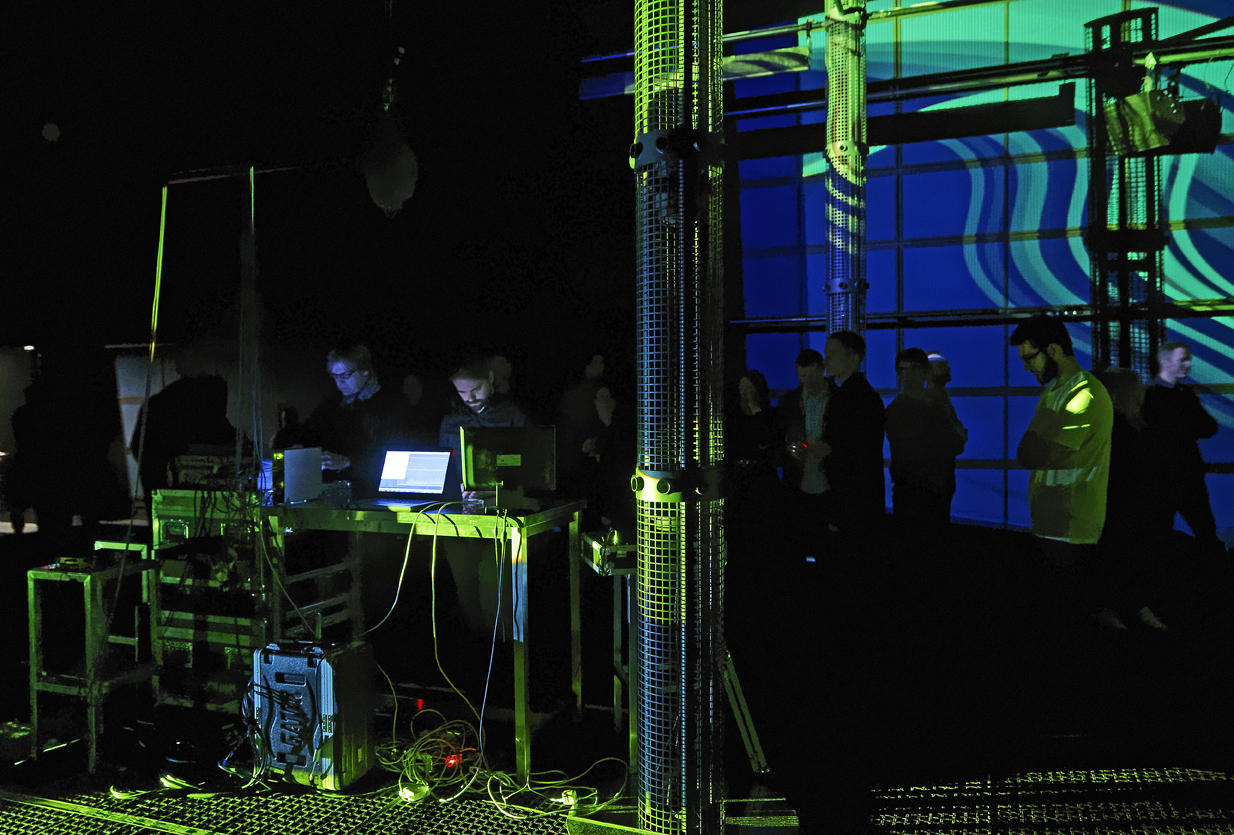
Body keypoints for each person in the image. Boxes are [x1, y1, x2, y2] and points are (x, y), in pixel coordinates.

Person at [1011, 316, 1113, 555]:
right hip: (1053, 528)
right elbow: (1028, 452)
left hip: (1072, 533)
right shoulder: (1054, 393)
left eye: (1029, 358)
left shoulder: (1085, 395)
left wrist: (1039, 432)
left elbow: (1031, 455)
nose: (1026, 367)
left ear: (1053, 350)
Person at [273, 344, 415, 498]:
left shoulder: (389, 407)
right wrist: (286, 438)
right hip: (338, 494)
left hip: (376, 493)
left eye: (345, 375)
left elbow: (395, 457)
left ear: (365, 371)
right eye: (334, 376)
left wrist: (348, 461)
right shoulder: (333, 405)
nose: (339, 382)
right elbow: (311, 430)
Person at [1094, 367, 1168, 630]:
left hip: (1120, 505)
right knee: (1127, 555)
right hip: (1127, 504)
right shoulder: (1128, 428)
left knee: (1119, 555)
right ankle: (1129, 606)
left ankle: (1118, 607)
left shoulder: (1111, 427)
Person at [1141, 341, 1223, 556]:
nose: (1187, 364)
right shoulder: (1185, 395)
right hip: (1187, 475)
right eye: (1183, 359)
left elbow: (1207, 427)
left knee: (1157, 534)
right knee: (1206, 532)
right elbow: (1208, 427)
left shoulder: (1147, 396)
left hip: (1161, 477)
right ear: (1165, 361)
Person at [885, 348, 966, 527]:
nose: (906, 375)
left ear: (924, 372)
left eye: (912, 369)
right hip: (928, 489)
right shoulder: (936, 406)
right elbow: (956, 442)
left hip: (918, 490)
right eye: (902, 370)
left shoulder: (896, 410)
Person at [821, 330, 887, 538]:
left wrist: (825, 449)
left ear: (854, 357)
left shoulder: (846, 398)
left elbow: (852, 451)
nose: (826, 360)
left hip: (850, 497)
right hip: (864, 496)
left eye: (832, 354)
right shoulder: (866, 395)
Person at [772, 349, 833, 557]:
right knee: (804, 542)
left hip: (826, 484)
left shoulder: (838, 400)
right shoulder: (789, 401)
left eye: (811, 376)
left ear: (822, 370)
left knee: (824, 544)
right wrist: (789, 450)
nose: (806, 381)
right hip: (800, 483)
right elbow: (776, 440)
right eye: (802, 376)